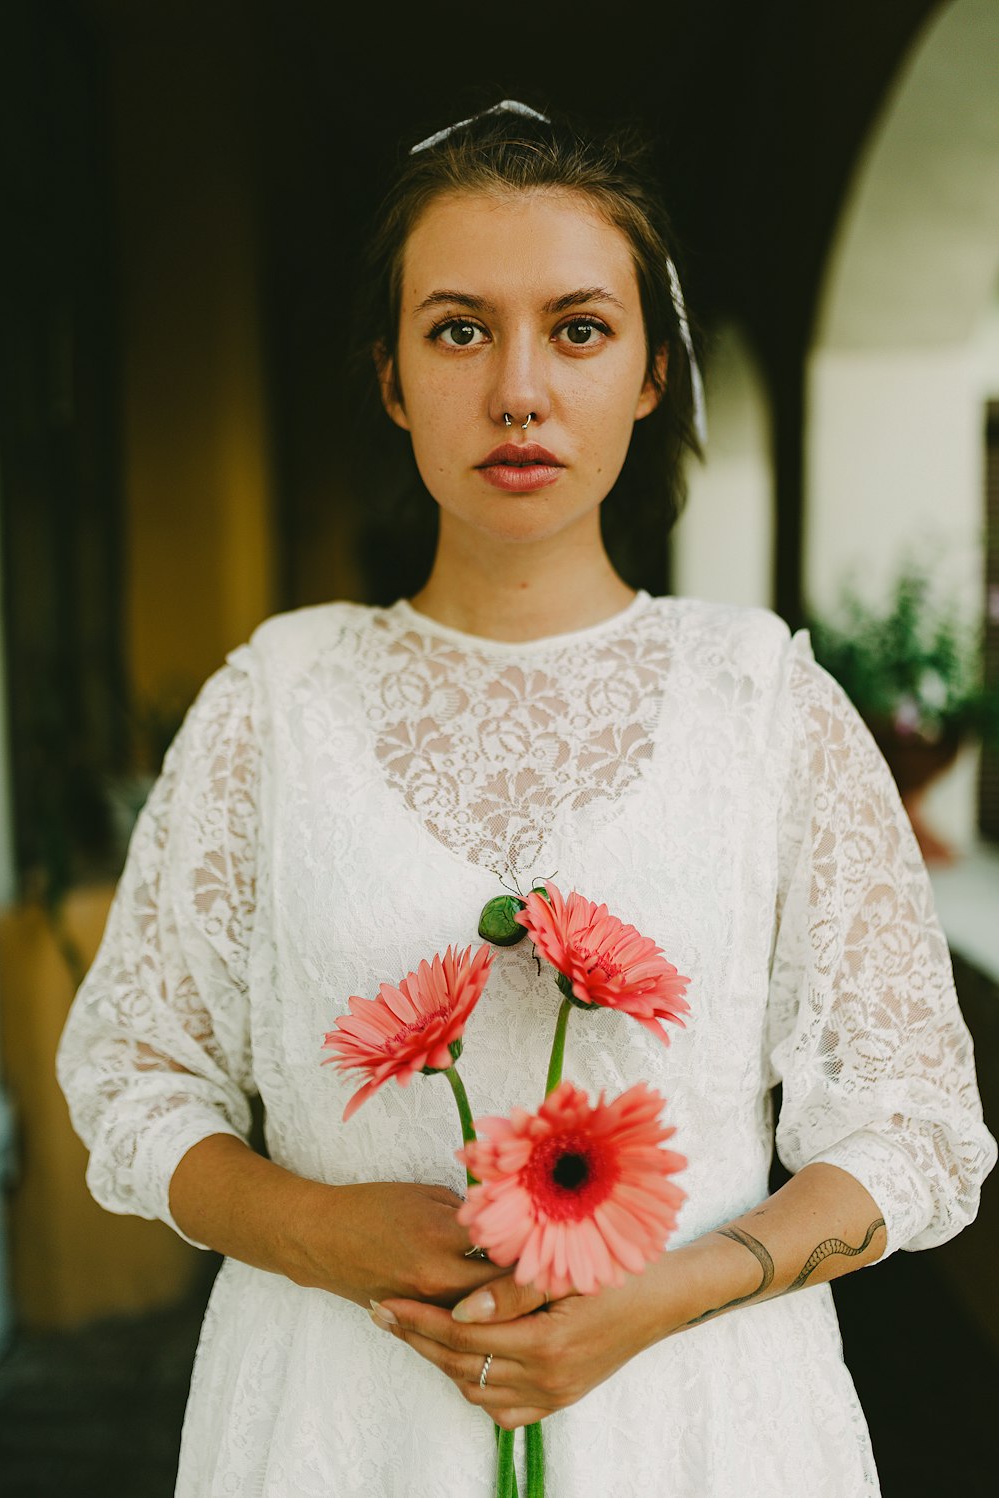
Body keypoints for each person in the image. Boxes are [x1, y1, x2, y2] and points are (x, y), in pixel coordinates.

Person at [57, 99, 995, 1497]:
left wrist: (658, 1299)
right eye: (457, 328)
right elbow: (135, 1081)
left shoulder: (762, 700)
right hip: (343, 1416)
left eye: (577, 327)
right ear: (390, 376)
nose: (518, 389)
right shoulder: (276, 699)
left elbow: (912, 1126)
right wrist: (315, 1226)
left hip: (697, 1422)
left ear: (649, 372)